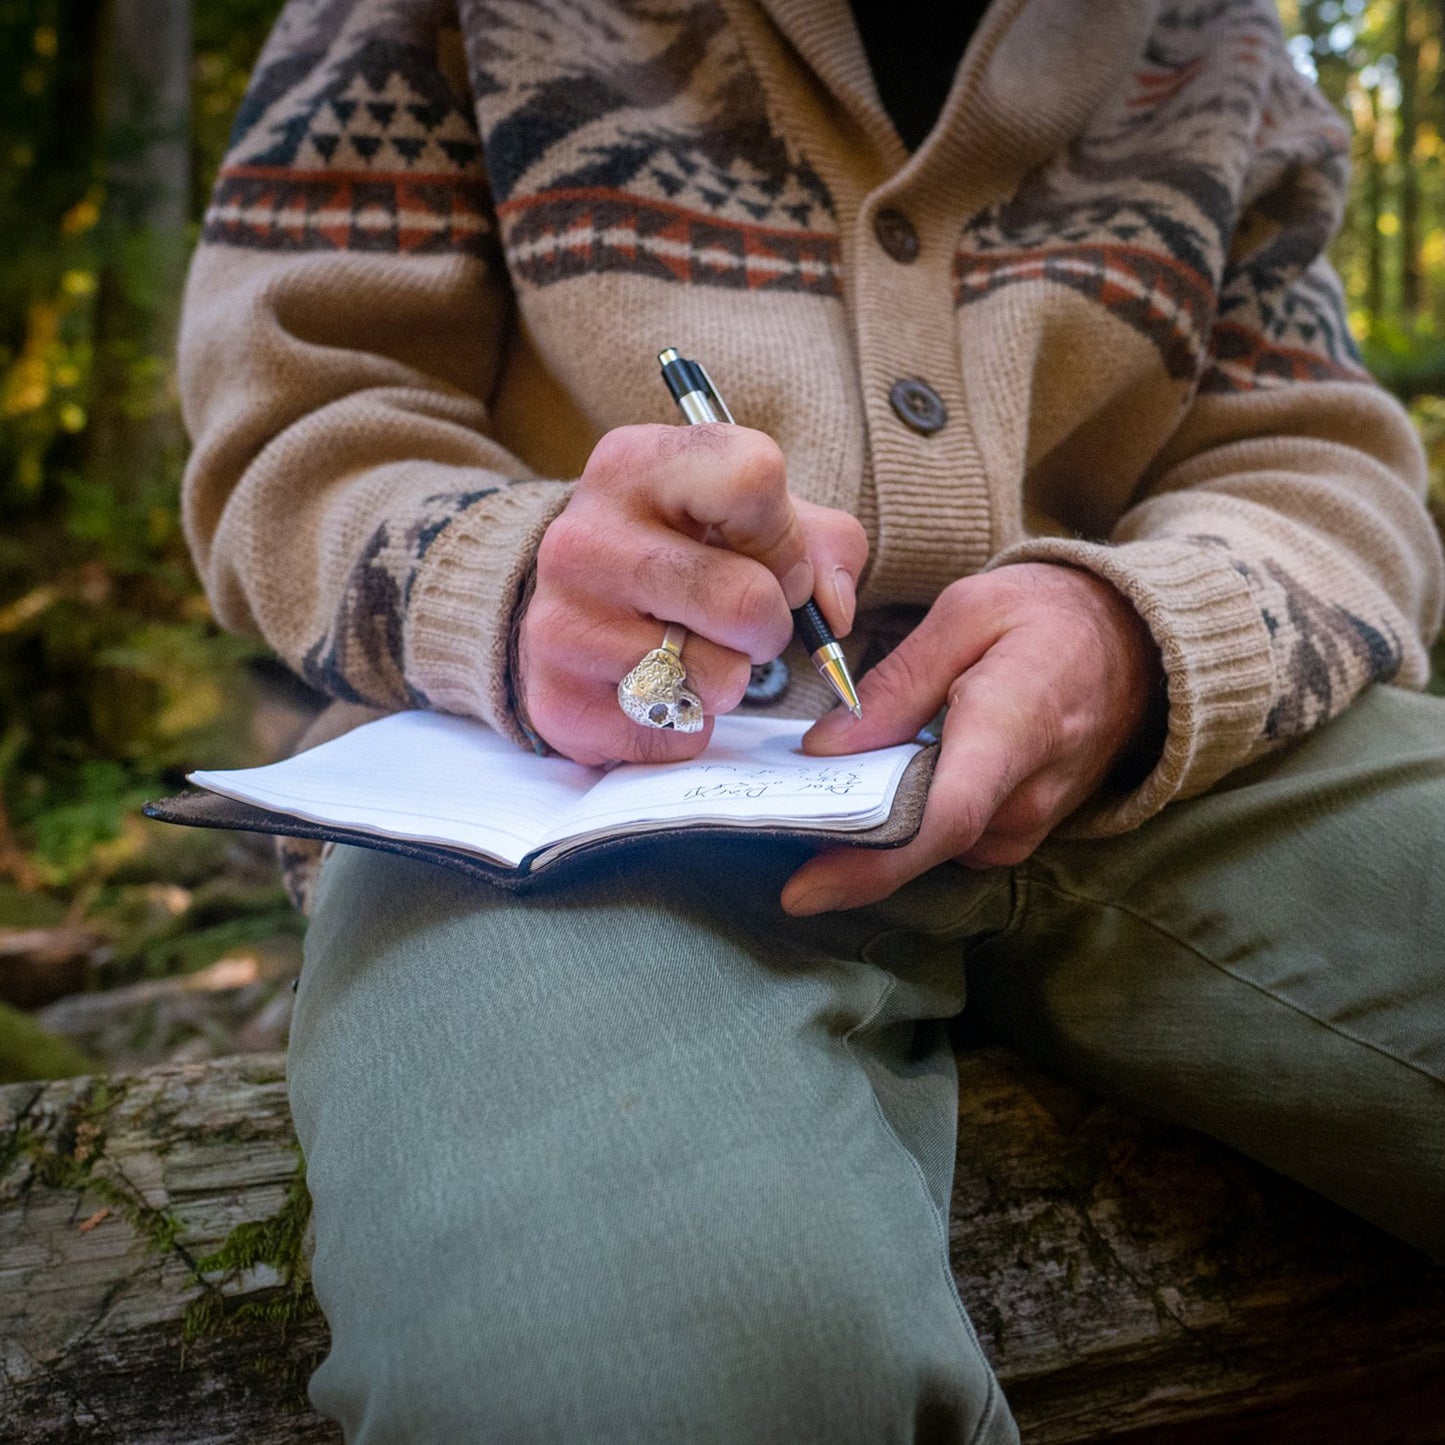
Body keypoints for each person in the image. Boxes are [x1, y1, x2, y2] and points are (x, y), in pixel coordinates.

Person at [178, 0, 1445, 1438]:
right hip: (563, 792)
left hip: (1180, 751)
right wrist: (513, 580)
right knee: (628, 1367)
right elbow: (296, 420)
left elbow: (1315, 456)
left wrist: (1142, 638)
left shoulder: (1213, 46)